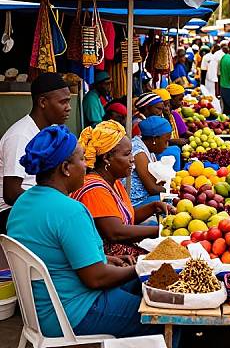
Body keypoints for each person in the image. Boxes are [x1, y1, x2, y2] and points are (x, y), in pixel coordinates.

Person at [7, 125, 162, 339]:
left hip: (42, 309)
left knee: (141, 284)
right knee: (165, 317)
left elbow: (52, 254)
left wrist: (105, 258)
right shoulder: (70, 211)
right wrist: (143, 267)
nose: (87, 165)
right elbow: (96, 279)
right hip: (74, 312)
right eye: (82, 160)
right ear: (65, 168)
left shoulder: (23, 203)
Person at [72, 120, 169, 256]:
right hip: (110, 260)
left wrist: (154, 206)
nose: (132, 159)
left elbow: (125, 218)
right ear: (106, 158)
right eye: (127, 154)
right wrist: (162, 230)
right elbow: (116, 233)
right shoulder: (95, 189)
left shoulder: (113, 182)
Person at [0, 72, 71, 233]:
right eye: (63, 102)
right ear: (43, 102)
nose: (69, 107)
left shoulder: (52, 131)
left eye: (69, 101)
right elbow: (11, 194)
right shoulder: (20, 135)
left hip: (37, 206)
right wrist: (50, 203)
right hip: (12, 214)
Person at [129, 116, 172, 207]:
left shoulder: (147, 147)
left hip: (147, 196)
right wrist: (173, 190)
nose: (167, 146)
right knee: (170, 201)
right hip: (137, 202)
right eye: (166, 141)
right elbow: (152, 189)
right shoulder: (138, 153)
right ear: (154, 139)